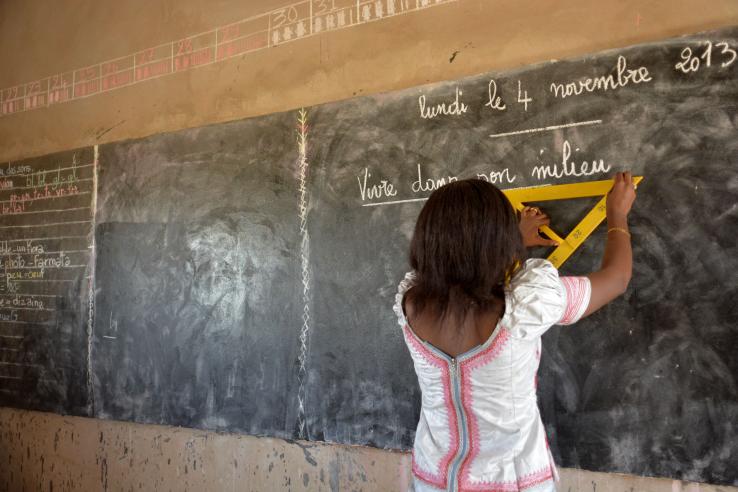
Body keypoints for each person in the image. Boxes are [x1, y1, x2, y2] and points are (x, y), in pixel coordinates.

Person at [393, 172, 637, 491]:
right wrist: (616, 213)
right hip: (511, 483)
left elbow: (463, 273)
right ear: (496, 240)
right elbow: (616, 278)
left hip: (434, 480)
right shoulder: (523, 308)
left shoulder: (411, 304)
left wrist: (512, 244)